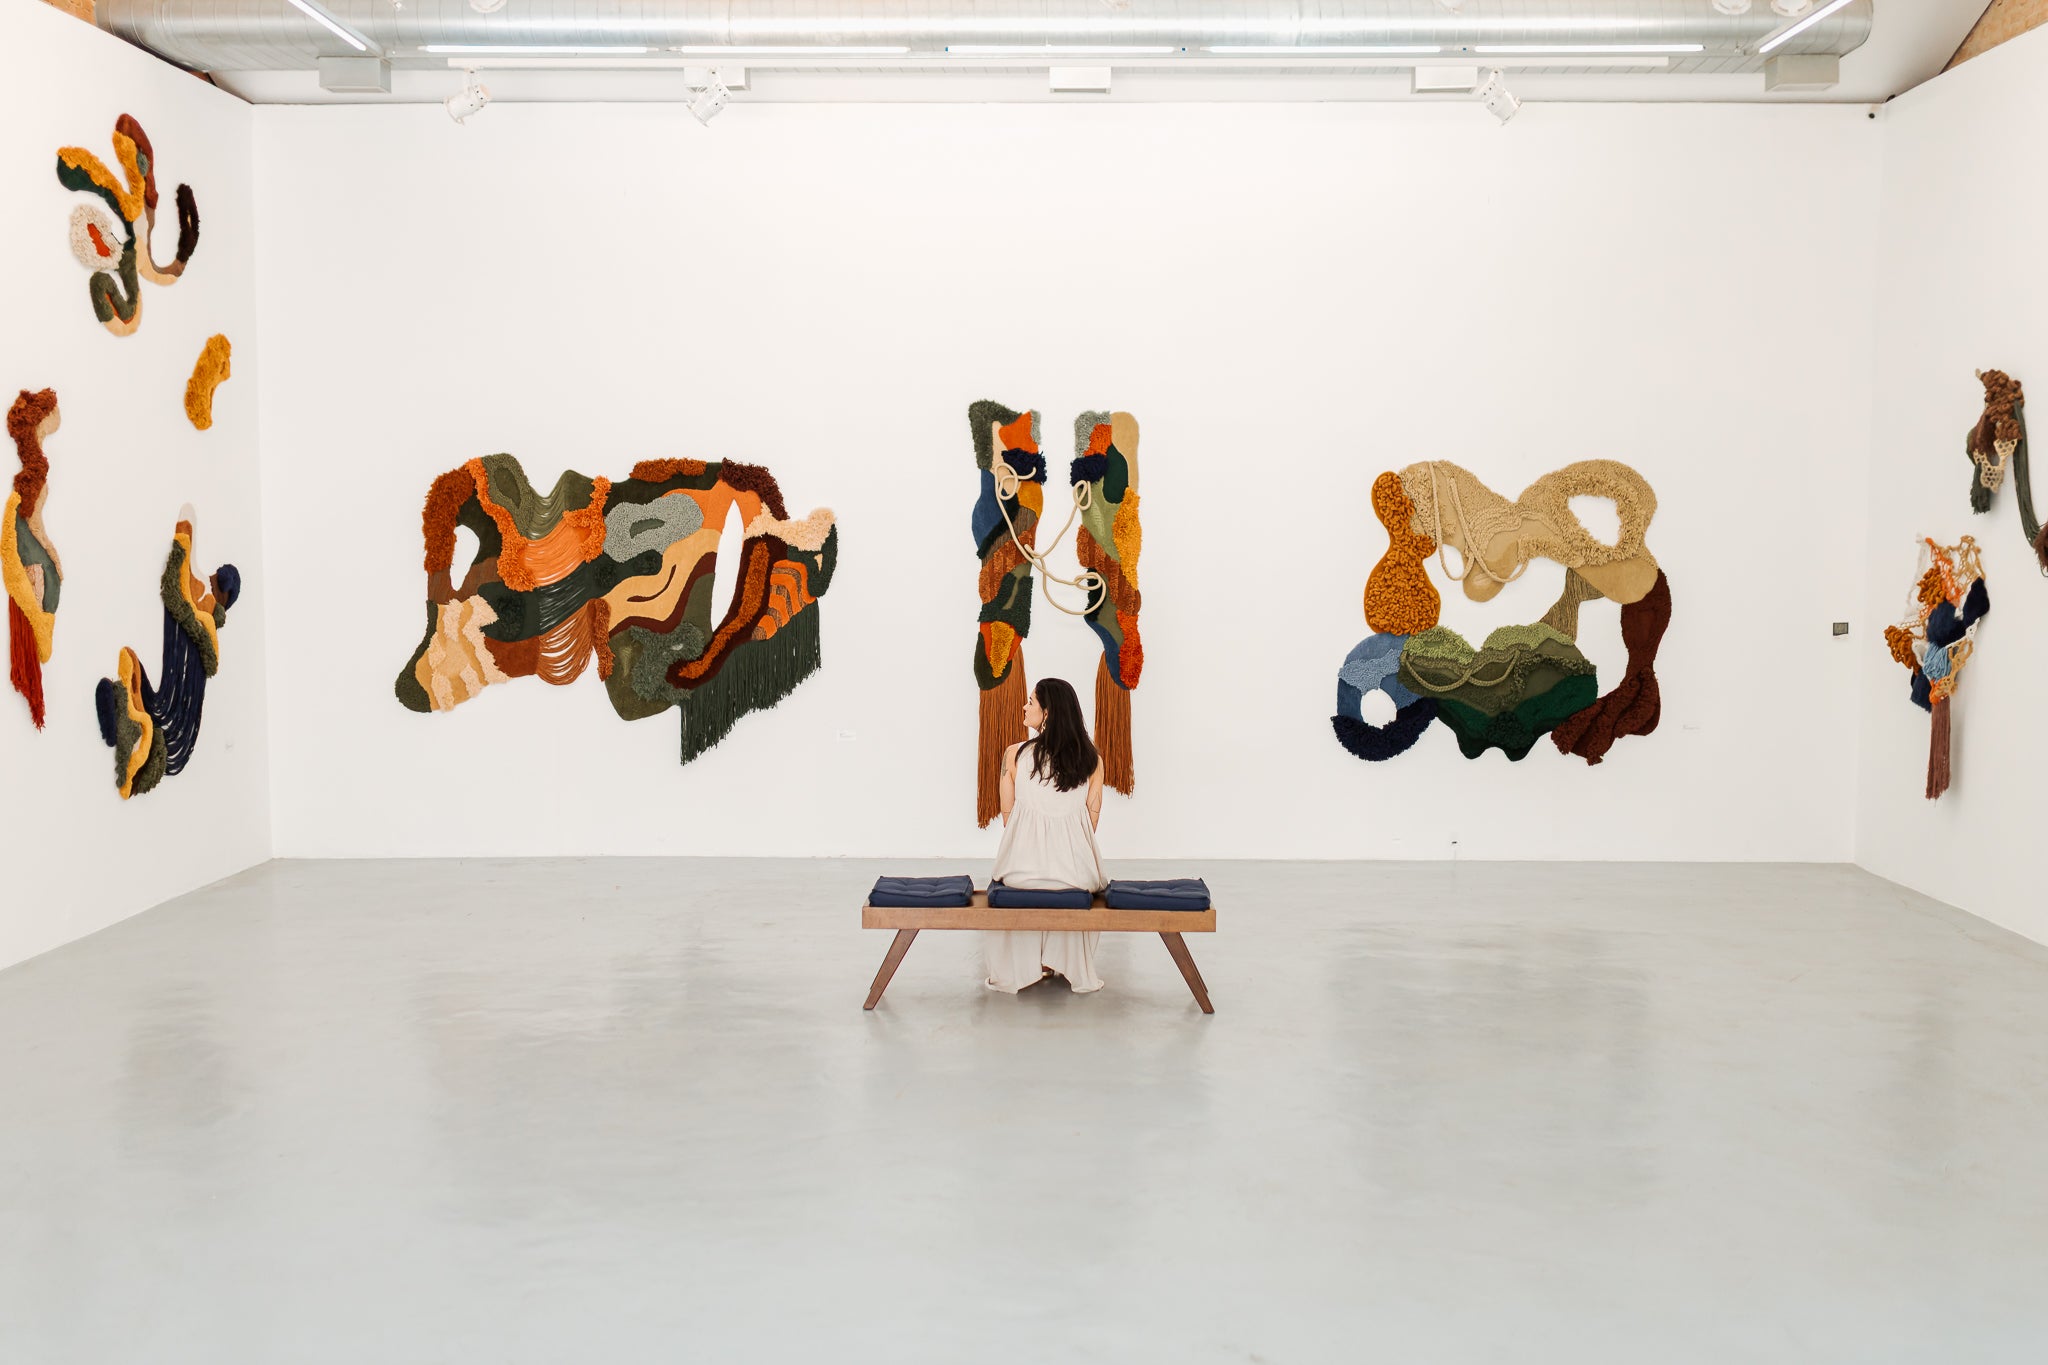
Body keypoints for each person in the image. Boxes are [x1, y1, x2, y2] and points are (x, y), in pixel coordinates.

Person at [983, 677, 1108, 994]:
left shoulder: (1014, 755)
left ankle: (1030, 963)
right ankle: (1061, 961)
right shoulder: (1092, 760)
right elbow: (1090, 825)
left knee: (1026, 873)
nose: (1024, 707)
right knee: (1067, 877)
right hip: (1076, 876)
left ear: (1047, 712)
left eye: (1031, 702)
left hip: (1020, 874)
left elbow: (1009, 820)